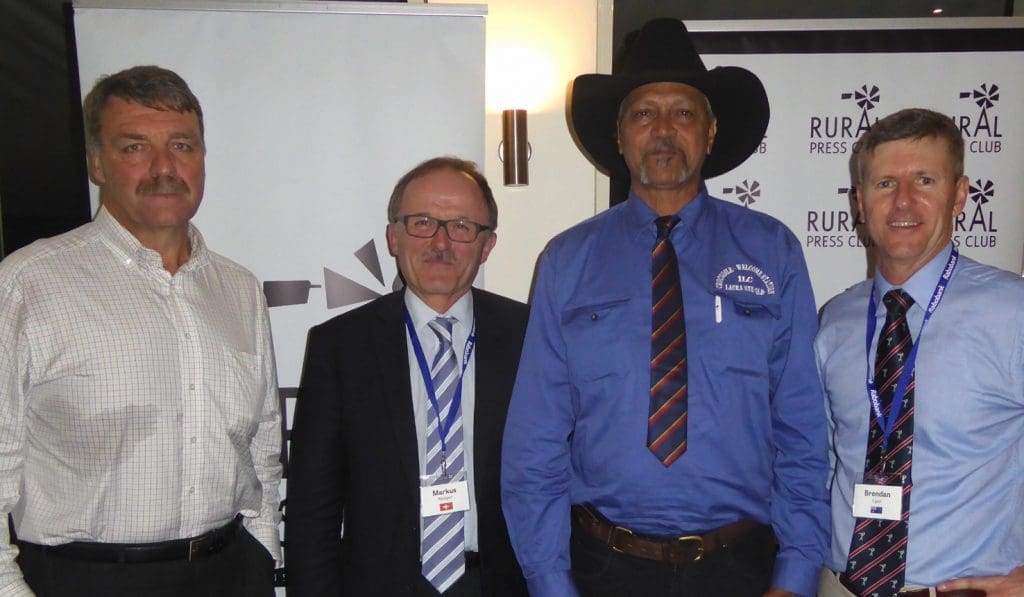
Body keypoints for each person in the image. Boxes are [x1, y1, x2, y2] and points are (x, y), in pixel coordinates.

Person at [501, 18, 829, 597]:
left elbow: (801, 424)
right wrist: (549, 580)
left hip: (742, 568)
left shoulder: (772, 250)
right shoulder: (567, 261)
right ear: (621, 136)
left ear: (710, 132)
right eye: (643, 113)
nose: (663, 131)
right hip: (604, 568)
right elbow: (536, 439)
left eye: (683, 112)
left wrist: (798, 571)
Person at [0, 65, 282, 596]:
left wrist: (261, 550)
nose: (163, 168)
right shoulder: (28, 284)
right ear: (96, 163)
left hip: (229, 573)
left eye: (182, 145)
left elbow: (262, 443)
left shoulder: (239, 288)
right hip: (83, 580)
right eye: (134, 147)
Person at [286, 156, 529, 596]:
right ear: (393, 237)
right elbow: (311, 511)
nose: (440, 242)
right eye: (422, 223)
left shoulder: (530, 339)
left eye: (461, 225)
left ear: (487, 244)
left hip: (499, 584)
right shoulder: (339, 347)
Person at [815, 108, 1024, 597]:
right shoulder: (836, 321)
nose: (903, 201)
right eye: (885, 183)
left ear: (959, 195)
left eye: (925, 180)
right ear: (860, 202)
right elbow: (821, 464)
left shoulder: (1013, 312)